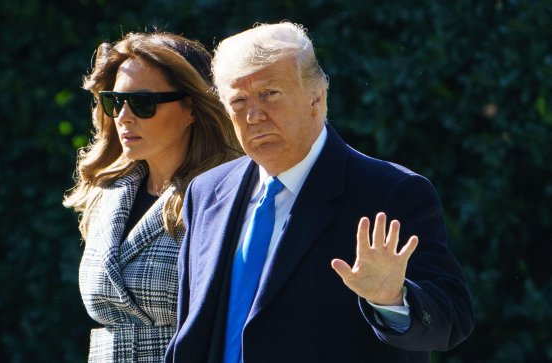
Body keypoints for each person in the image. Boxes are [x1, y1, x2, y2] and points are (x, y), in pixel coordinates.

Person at [165, 22, 474, 363]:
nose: (253, 115)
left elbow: (451, 320)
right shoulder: (207, 192)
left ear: (316, 99)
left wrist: (392, 299)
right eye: (238, 101)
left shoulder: (389, 192)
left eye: (271, 93)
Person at [63, 31, 241, 362]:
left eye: (143, 103)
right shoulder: (106, 196)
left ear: (191, 108)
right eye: (114, 101)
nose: (123, 116)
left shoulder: (228, 197)